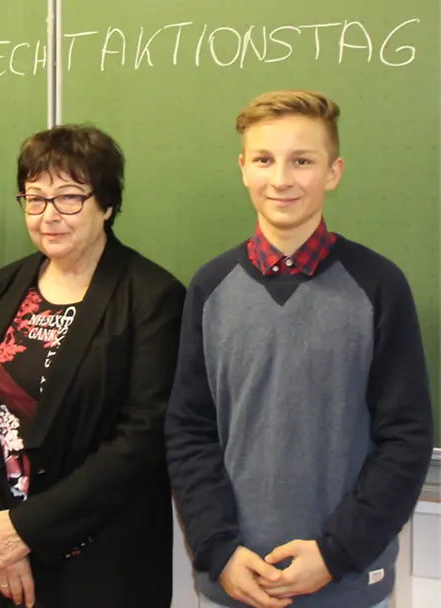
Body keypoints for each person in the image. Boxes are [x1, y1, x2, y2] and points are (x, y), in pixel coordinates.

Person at [165, 90, 435, 608]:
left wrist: (336, 553)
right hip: (235, 579)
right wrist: (218, 549)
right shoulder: (210, 287)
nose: (282, 178)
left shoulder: (378, 286)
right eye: (264, 159)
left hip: (348, 582)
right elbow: (189, 431)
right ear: (243, 168)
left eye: (302, 161)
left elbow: (406, 437)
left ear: (333, 172)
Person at [0, 124, 186, 607]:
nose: (49, 215)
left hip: (100, 566)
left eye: (69, 197)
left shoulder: (152, 297)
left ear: (107, 204)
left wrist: (25, 531)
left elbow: (141, 438)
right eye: (35, 198)